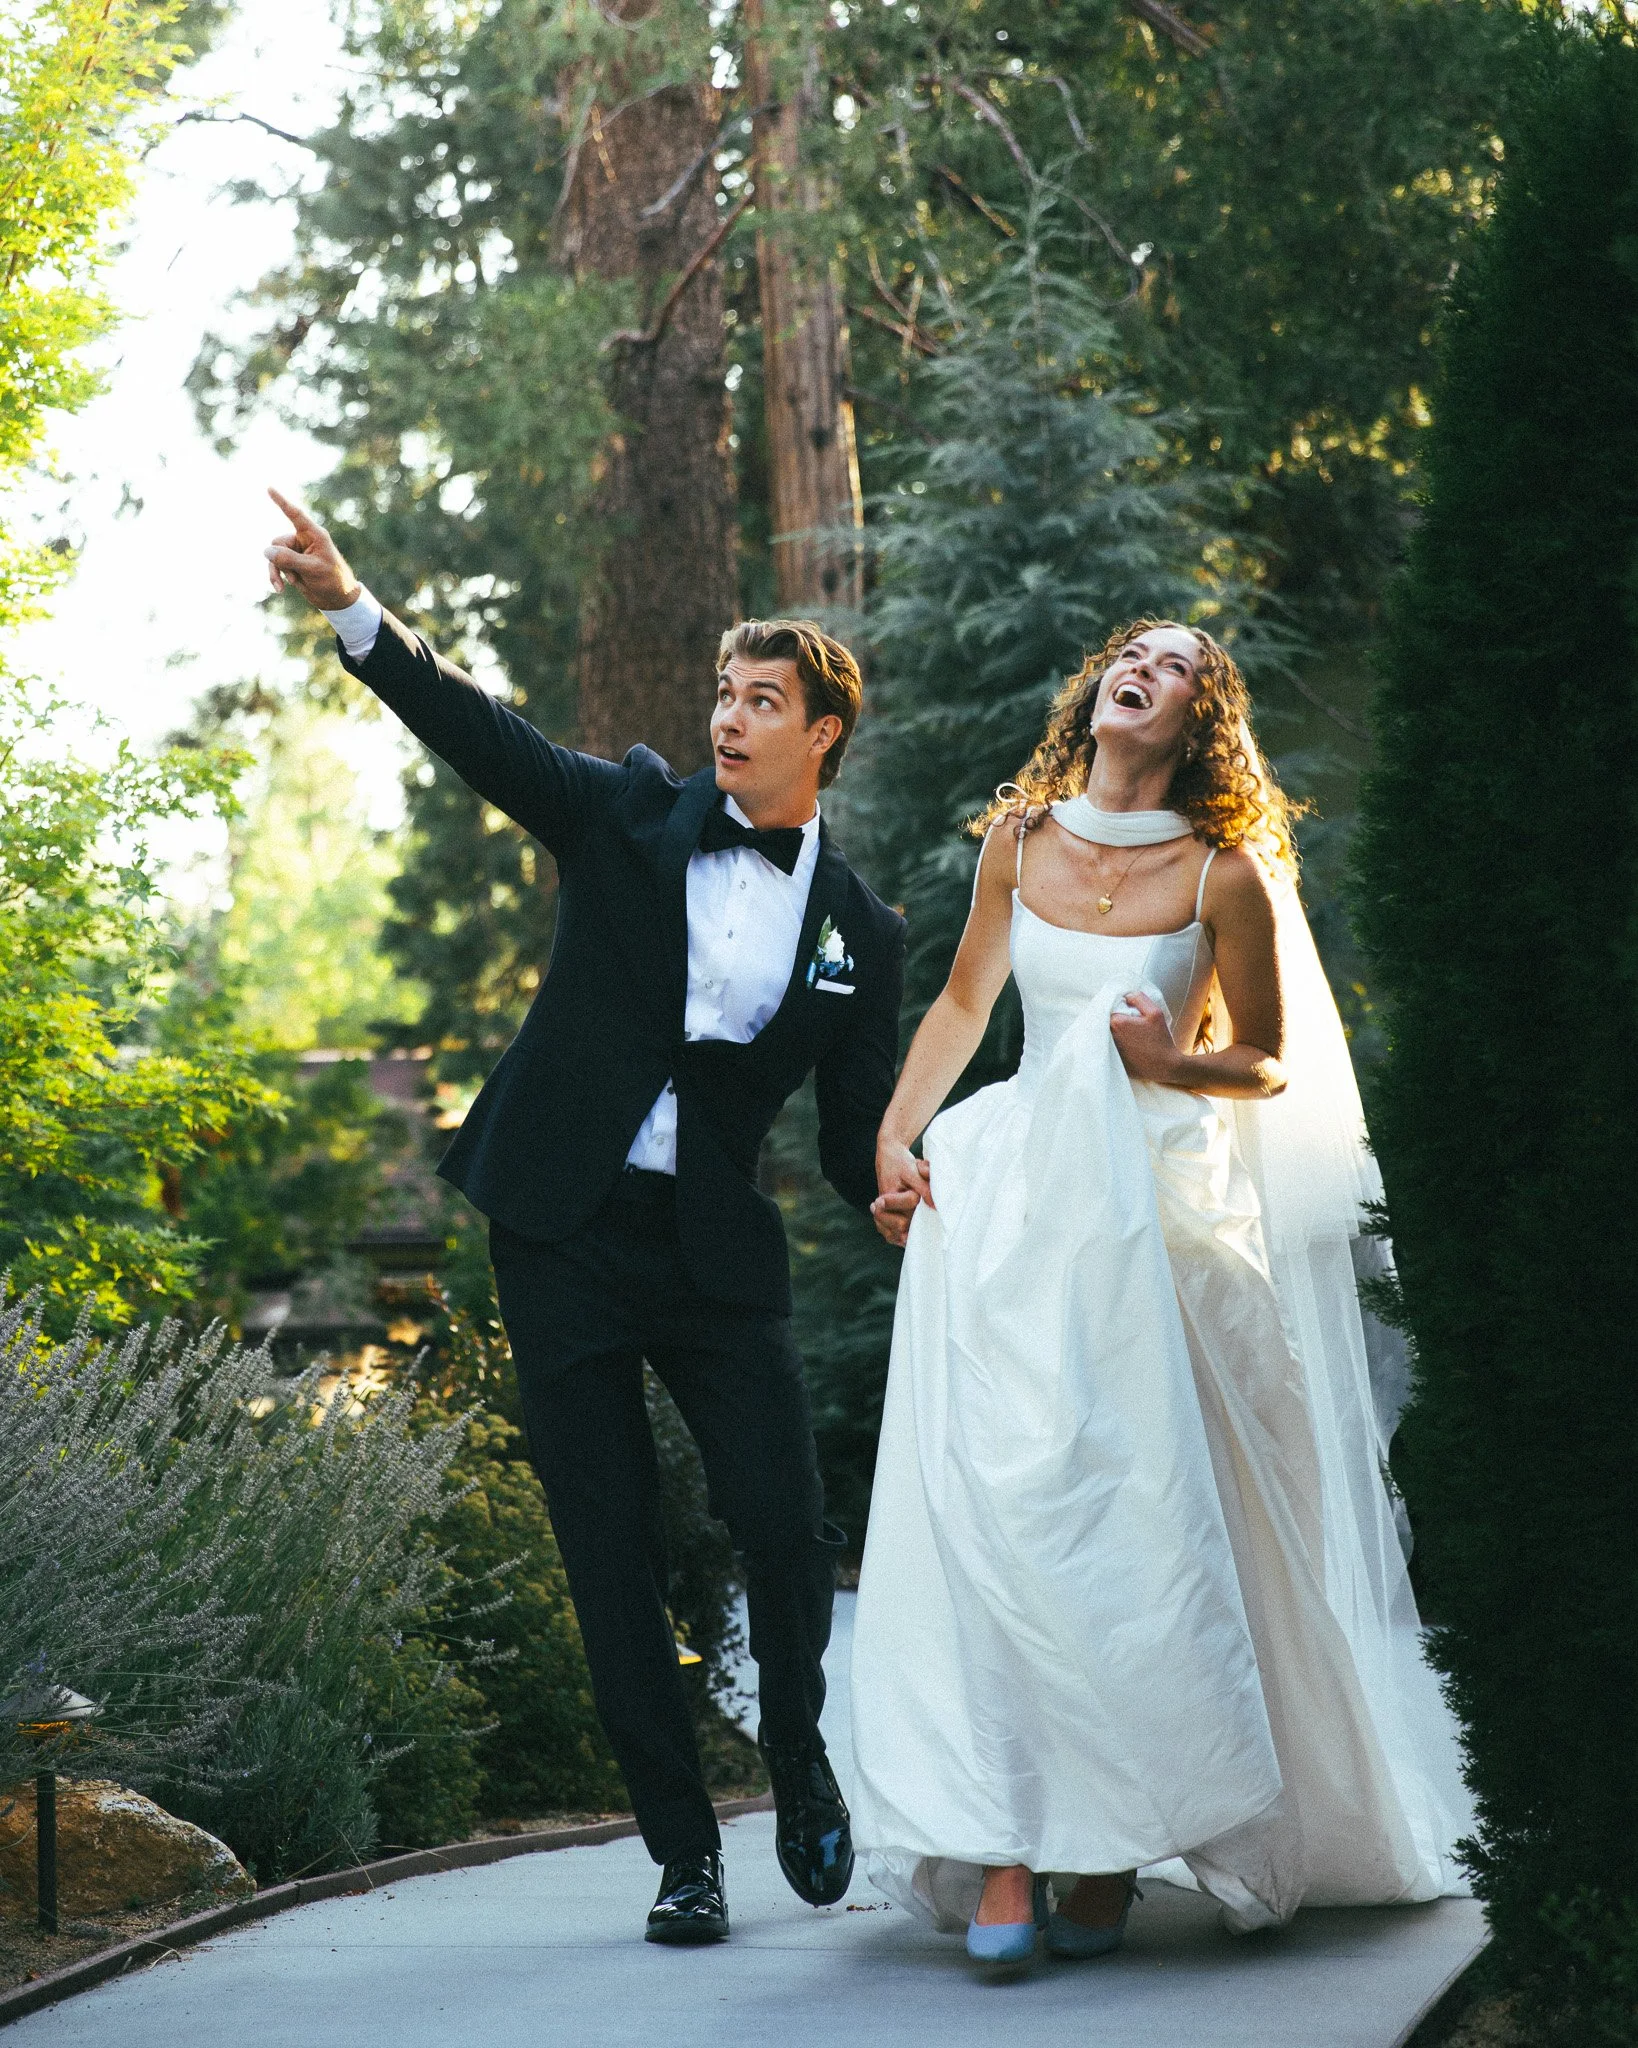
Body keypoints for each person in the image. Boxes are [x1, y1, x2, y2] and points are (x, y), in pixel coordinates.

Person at [262, 489, 907, 1945]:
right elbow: (476, 728)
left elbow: (862, 1120)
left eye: (762, 701)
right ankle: (683, 1856)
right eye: (722, 696)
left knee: (785, 1529)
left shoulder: (859, 934)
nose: (729, 720)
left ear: (823, 737)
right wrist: (357, 612)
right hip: (555, 1226)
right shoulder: (622, 815)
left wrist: (899, 1181)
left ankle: (798, 1756)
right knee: (606, 1548)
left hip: (711, 1254)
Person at [850, 620, 1470, 1967]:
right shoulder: (1015, 839)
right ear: (1099, 690)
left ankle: (1108, 1844)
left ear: (1199, 717)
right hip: (1017, 1207)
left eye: (1179, 661)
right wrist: (897, 1140)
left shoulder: (1222, 870)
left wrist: (1165, 1065)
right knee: (1003, 1514)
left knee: (1131, 1534)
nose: (1147, 662)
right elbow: (965, 1004)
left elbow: (1260, 1060)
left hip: (1162, 1221)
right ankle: (1010, 1842)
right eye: (1133, 649)